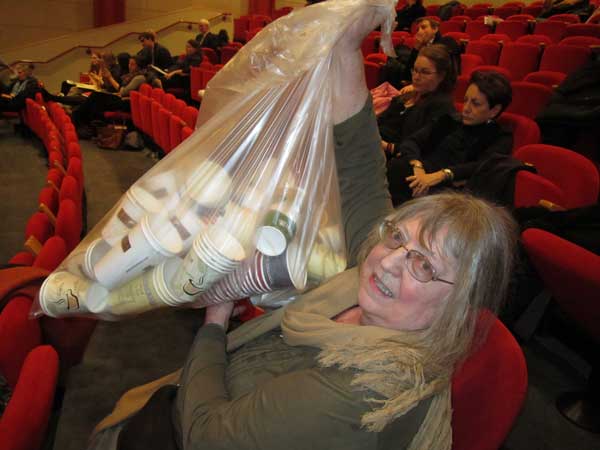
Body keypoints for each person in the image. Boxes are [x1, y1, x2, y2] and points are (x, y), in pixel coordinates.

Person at [87, 7, 518, 450]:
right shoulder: (385, 292)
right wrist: (346, 43)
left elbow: (206, 436)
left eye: (423, 265)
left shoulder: (364, 390)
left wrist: (215, 323)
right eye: (396, 237)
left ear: (458, 301)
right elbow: (361, 171)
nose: (387, 261)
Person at [386, 70, 513, 206]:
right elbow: (412, 142)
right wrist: (417, 166)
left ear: (494, 110)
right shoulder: (450, 120)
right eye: (465, 100)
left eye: (475, 104)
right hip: (420, 175)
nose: (466, 108)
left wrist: (441, 175)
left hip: (454, 192)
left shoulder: (500, 136)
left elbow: (480, 167)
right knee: (397, 167)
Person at [378, 44, 456, 156]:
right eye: (415, 70)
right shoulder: (406, 96)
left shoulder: (442, 106)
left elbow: (421, 146)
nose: (416, 76)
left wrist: (386, 146)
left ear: (441, 76)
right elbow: (380, 122)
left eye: (424, 72)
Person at [383, 17, 460, 89]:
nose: (419, 32)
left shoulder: (447, 41)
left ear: (435, 29)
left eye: (423, 27)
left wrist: (415, 86)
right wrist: (416, 49)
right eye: (417, 29)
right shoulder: (420, 47)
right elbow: (408, 75)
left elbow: (443, 71)